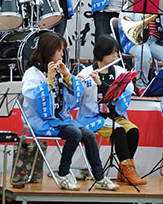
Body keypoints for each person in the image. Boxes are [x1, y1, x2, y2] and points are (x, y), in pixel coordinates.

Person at [20, 32, 118, 191]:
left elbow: (74, 95)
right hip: (40, 121)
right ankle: (63, 174)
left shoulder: (58, 70)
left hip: (59, 119)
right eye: (60, 50)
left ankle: (99, 177)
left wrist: (66, 75)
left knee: (88, 134)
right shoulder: (32, 73)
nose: (62, 54)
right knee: (75, 133)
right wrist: (49, 80)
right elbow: (34, 100)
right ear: (49, 51)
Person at [76, 35, 145, 185]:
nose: (116, 56)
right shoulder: (85, 73)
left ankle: (125, 170)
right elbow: (75, 98)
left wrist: (101, 84)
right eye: (112, 53)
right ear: (101, 53)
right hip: (93, 117)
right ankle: (128, 171)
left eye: (116, 52)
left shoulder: (120, 72)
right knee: (119, 131)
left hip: (114, 116)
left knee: (133, 131)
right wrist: (79, 85)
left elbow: (122, 95)